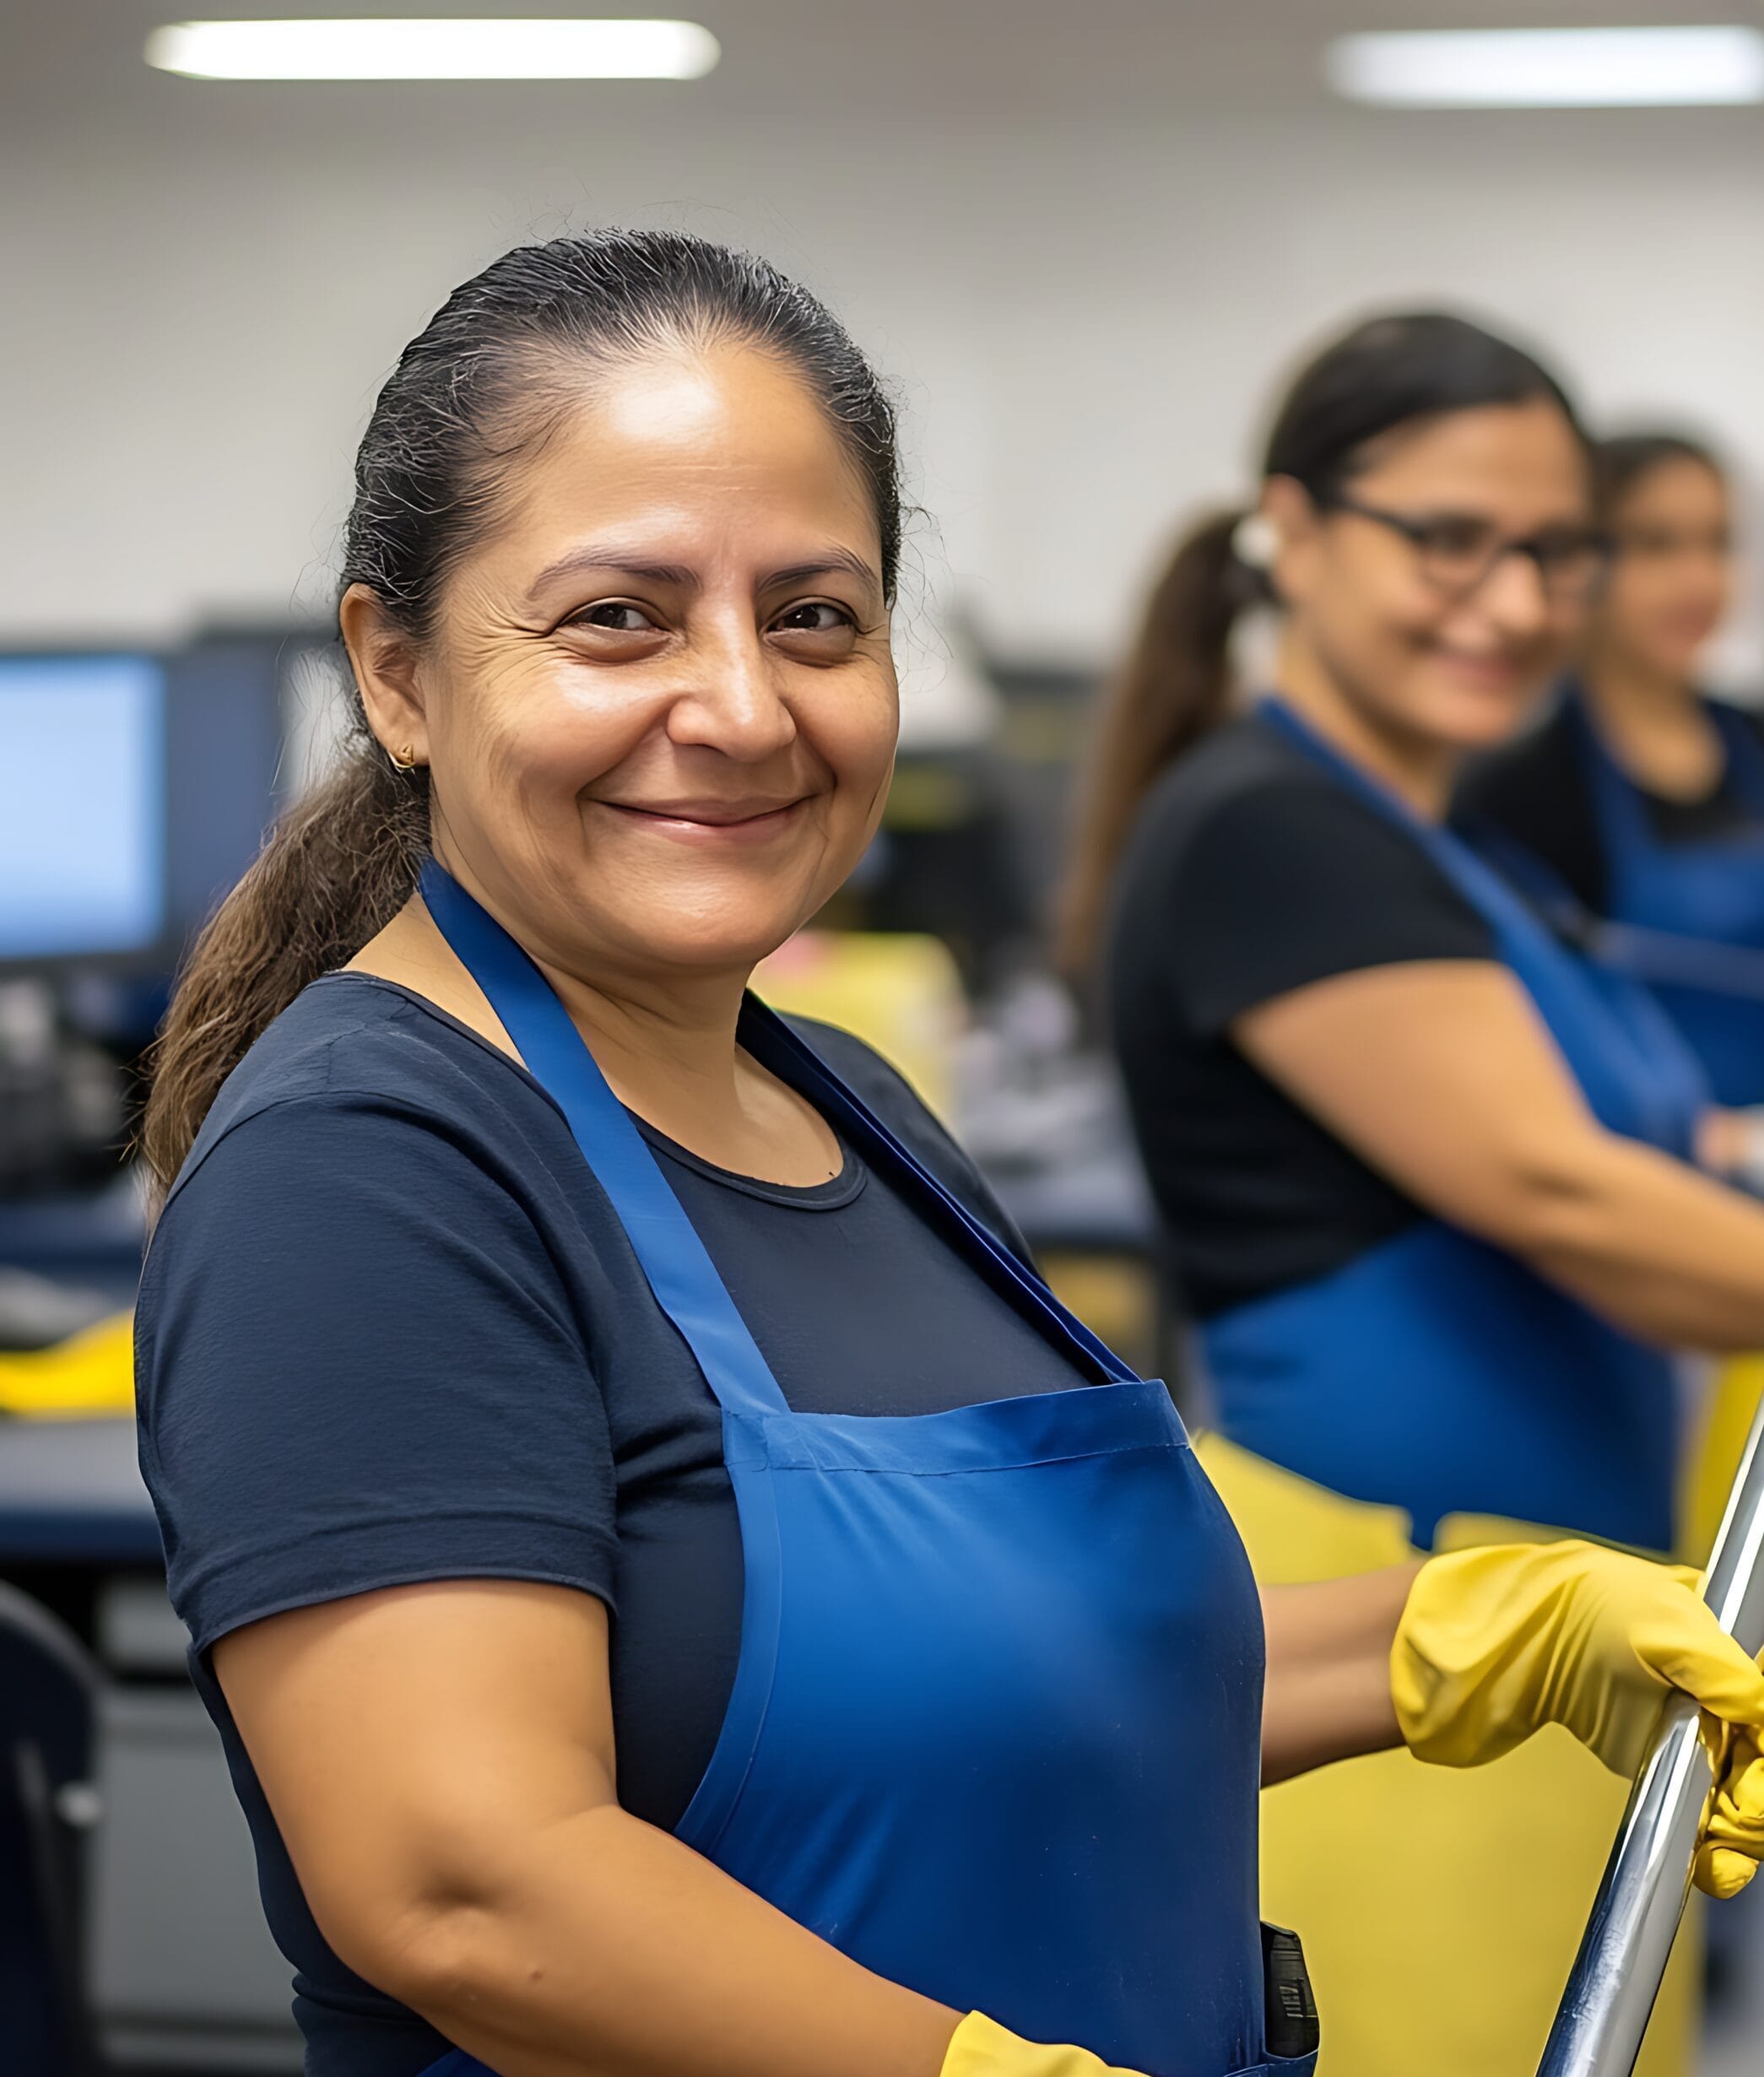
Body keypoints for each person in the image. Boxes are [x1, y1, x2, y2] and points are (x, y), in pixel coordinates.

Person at [134, 243, 1764, 2077]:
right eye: (618, 617)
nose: (744, 706)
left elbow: (1022, 1675)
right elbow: (472, 1887)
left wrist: (1477, 1635)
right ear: (398, 670)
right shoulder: (371, 1171)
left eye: (816, 617)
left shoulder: (845, 1105)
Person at [1061, 312, 1764, 2076]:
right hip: (1393, 1649)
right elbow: (1565, 1196)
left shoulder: (1446, 848)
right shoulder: (1273, 833)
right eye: (1448, 537)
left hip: (1556, 1624)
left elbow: (1649, 1150)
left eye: (1553, 551)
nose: (1513, 600)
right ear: (1291, 530)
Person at [1460, 432, 1764, 1109]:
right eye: (1655, 545)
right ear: (1581, 561)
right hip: (1651, 1167)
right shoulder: (1519, 793)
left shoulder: (1754, 736)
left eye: (1718, 544)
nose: (1699, 581)